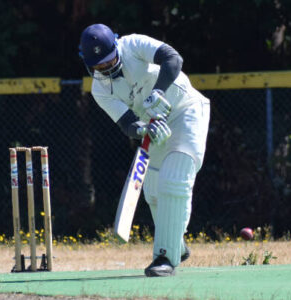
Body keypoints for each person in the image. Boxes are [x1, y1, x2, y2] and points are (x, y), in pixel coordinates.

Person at [78, 24, 210, 277]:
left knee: (174, 180)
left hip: (186, 110)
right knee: (153, 192)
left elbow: (173, 58)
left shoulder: (134, 44)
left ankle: (165, 257)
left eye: (108, 61)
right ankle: (175, 243)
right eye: (99, 66)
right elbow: (127, 123)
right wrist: (142, 130)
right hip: (155, 126)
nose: (105, 68)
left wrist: (158, 91)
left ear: (116, 46)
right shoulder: (100, 89)